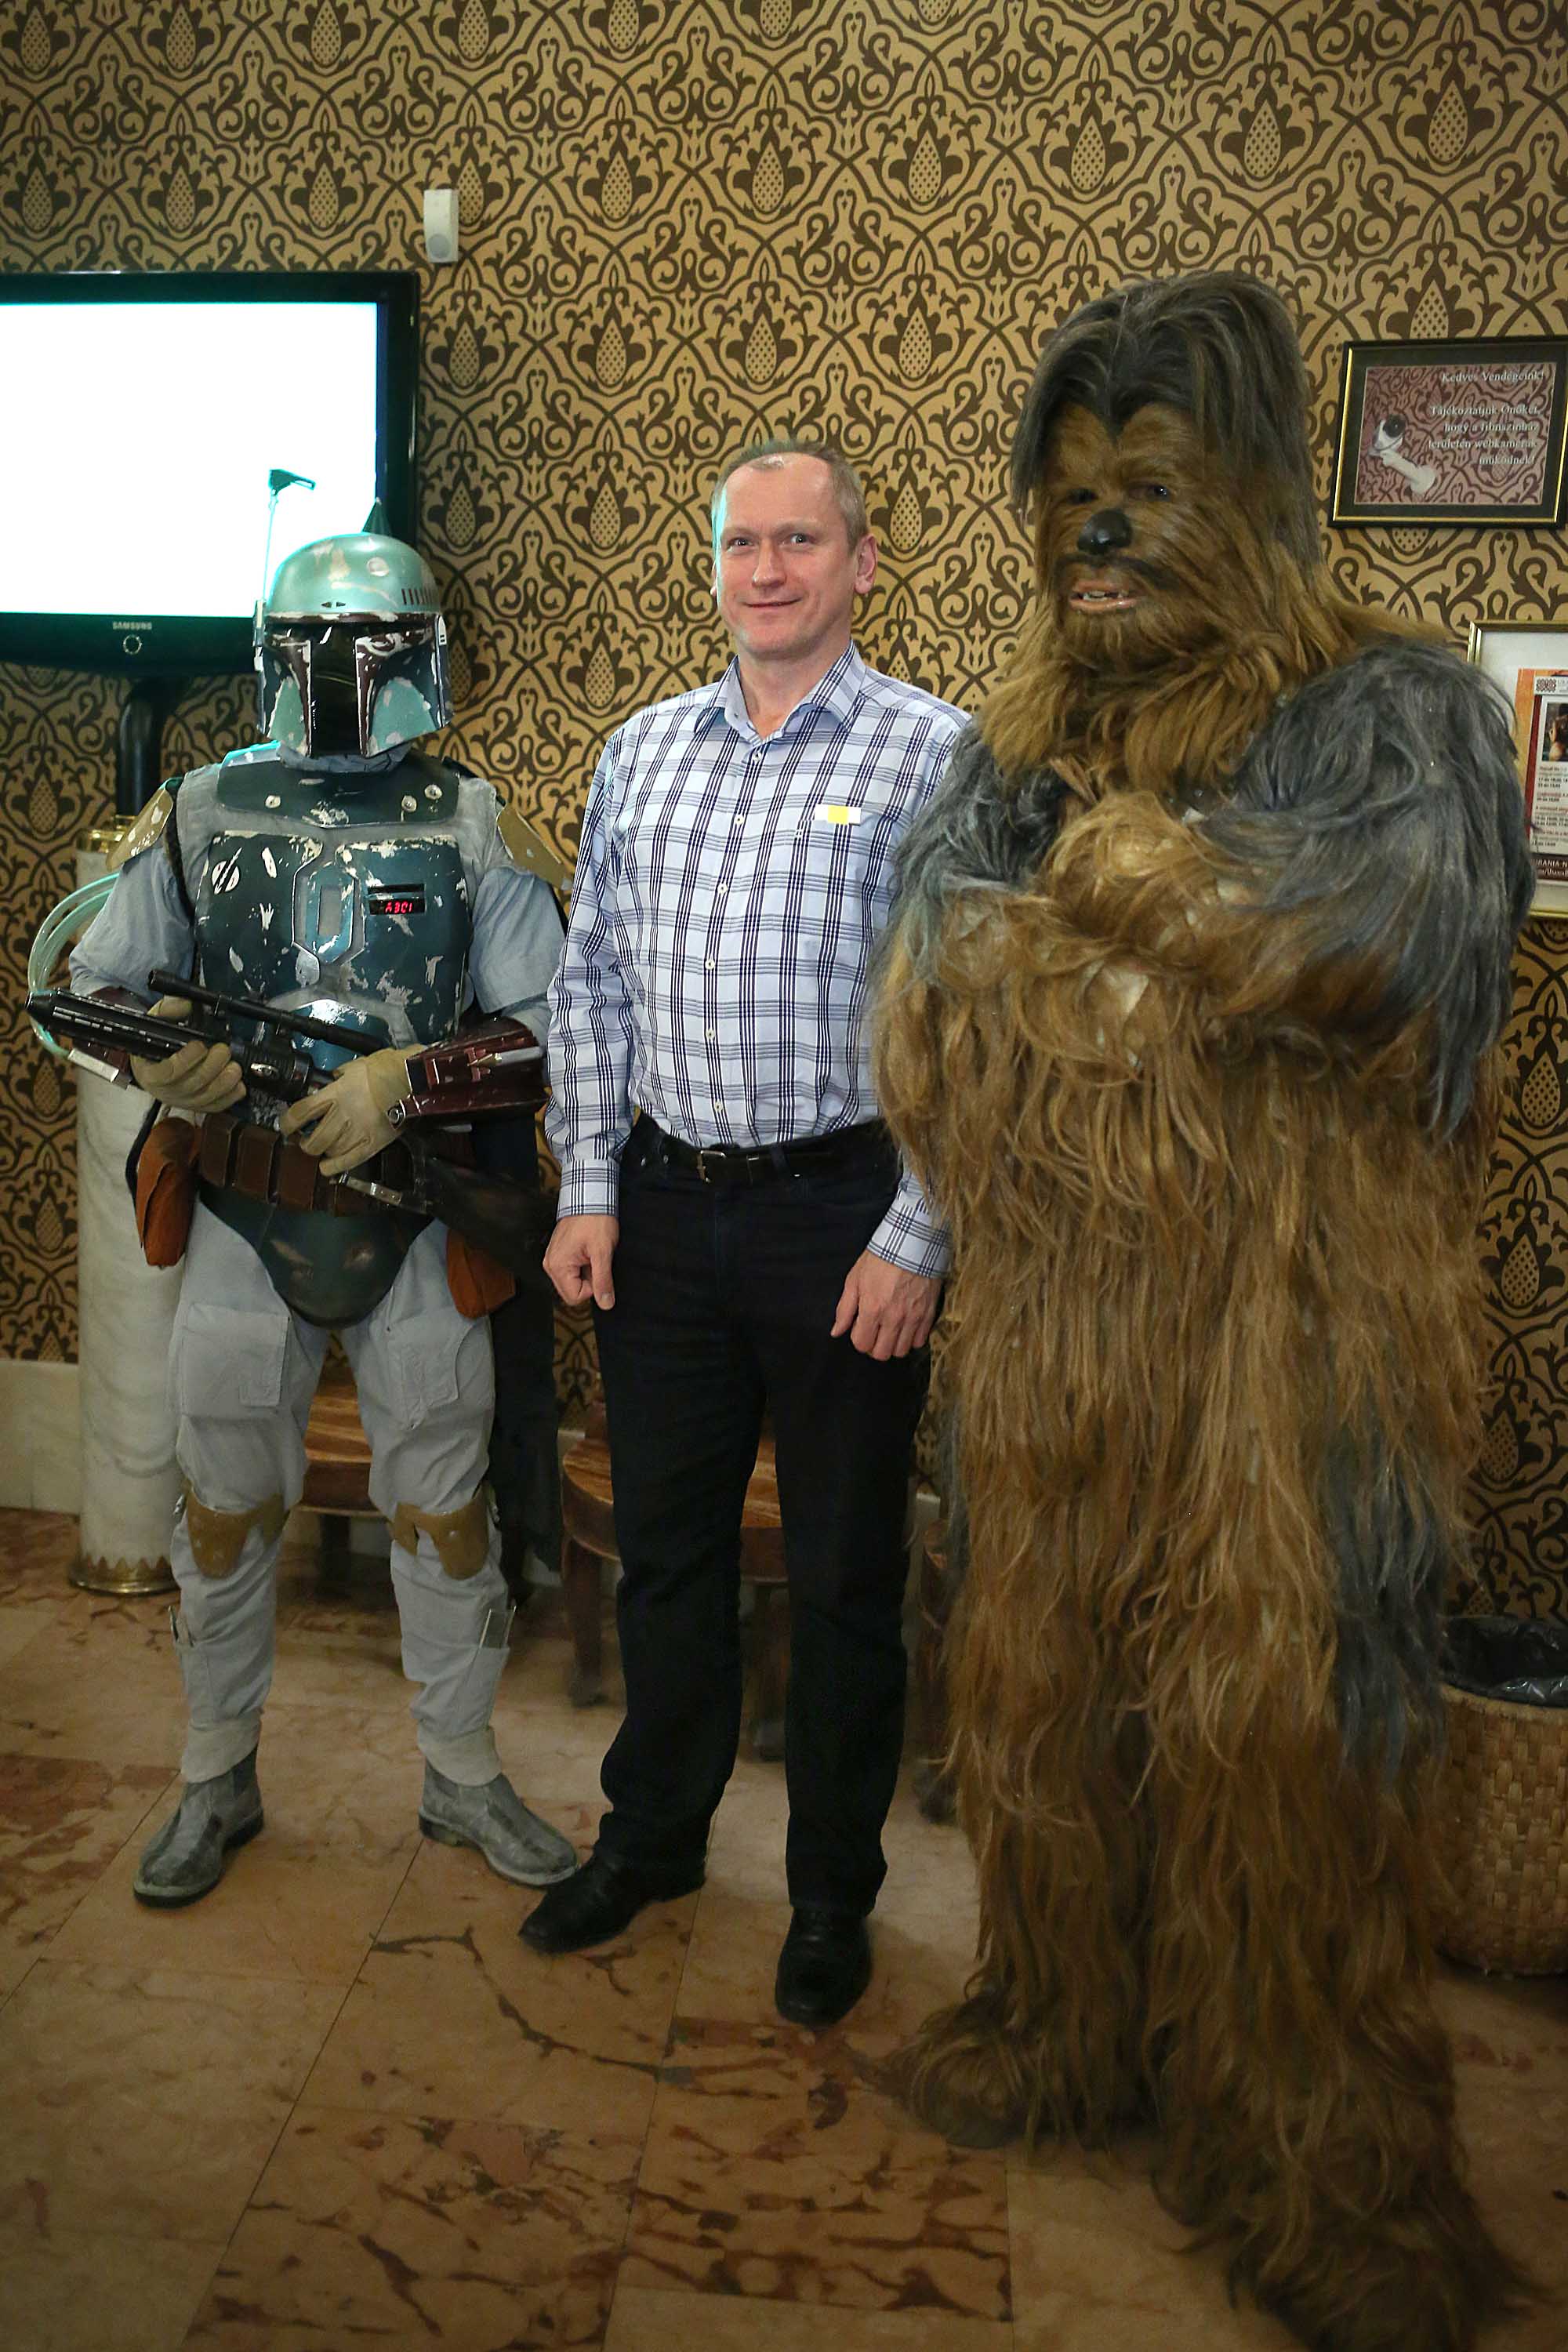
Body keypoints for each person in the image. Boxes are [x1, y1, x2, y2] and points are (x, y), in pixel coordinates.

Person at [873, 274, 1531, 2350]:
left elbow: (1395, 945)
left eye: (1148, 487)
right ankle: (1060, 2021)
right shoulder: (1008, 752)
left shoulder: (1394, 711)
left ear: (1251, 502)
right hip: (1057, 1341)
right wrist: (1158, 974)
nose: (1097, 531)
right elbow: (928, 991)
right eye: (1071, 493)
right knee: (1039, 1708)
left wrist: (1165, 903)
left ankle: (1324, 2163)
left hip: (1294, 1338)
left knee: (1287, 1742)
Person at [69, 518, 577, 1907]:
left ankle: (460, 1772)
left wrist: (413, 1078)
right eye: (318, 646)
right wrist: (162, 1057)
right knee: (224, 1513)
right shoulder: (197, 810)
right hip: (246, 1208)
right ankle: (214, 1772)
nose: (344, 672)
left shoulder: (472, 820)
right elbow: (92, 987)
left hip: (418, 1216)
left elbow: (554, 1024)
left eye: (369, 646)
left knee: (446, 1508)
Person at [526, 438, 967, 2026]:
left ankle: (831, 1899)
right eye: (740, 543)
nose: (765, 570)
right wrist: (588, 1188)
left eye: (800, 541)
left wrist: (918, 1236)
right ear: (712, 563)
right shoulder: (643, 751)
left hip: (842, 1220)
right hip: (661, 1214)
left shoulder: (936, 754)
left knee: (844, 1575)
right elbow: (591, 986)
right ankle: (651, 1840)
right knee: (668, 1560)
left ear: (862, 561)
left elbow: (972, 1018)